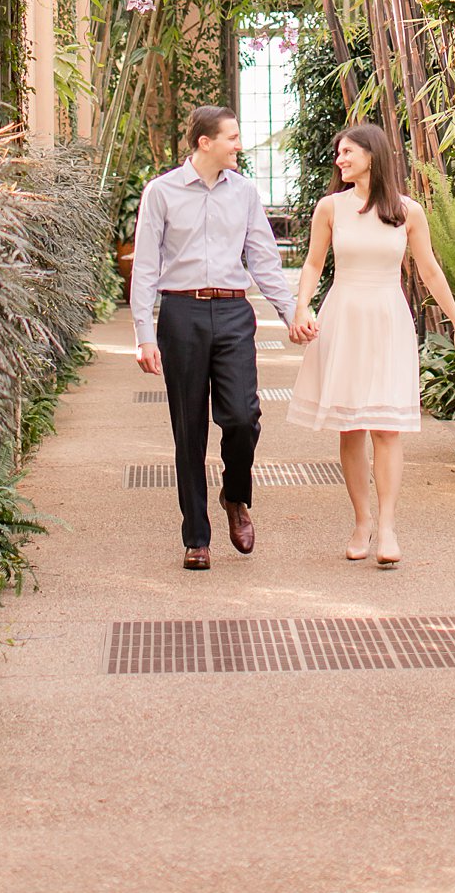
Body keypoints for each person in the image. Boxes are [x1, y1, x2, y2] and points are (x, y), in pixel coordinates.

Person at [130, 103, 316, 570]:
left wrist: (291, 312)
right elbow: (146, 267)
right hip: (181, 313)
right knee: (188, 429)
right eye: (232, 137)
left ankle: (235, 495)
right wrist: (144, 335)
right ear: (204, 142)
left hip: (234, 310)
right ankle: (196, 537)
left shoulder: (246, 193)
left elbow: (264, 259)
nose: (239, 145)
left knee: (241, 416)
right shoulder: (162, 193)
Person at [288, 121, 455, 568]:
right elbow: (314, 263)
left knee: (386, 428)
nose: (340, 160)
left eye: (348, 152)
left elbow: (430, 270)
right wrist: (302, 308)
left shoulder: (407, 210)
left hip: (388, 319)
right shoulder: (330, 208)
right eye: (339, 153)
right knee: (350, 427)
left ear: (372, 155)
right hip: (344, 316)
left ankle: (388, 526)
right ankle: (361, 521)